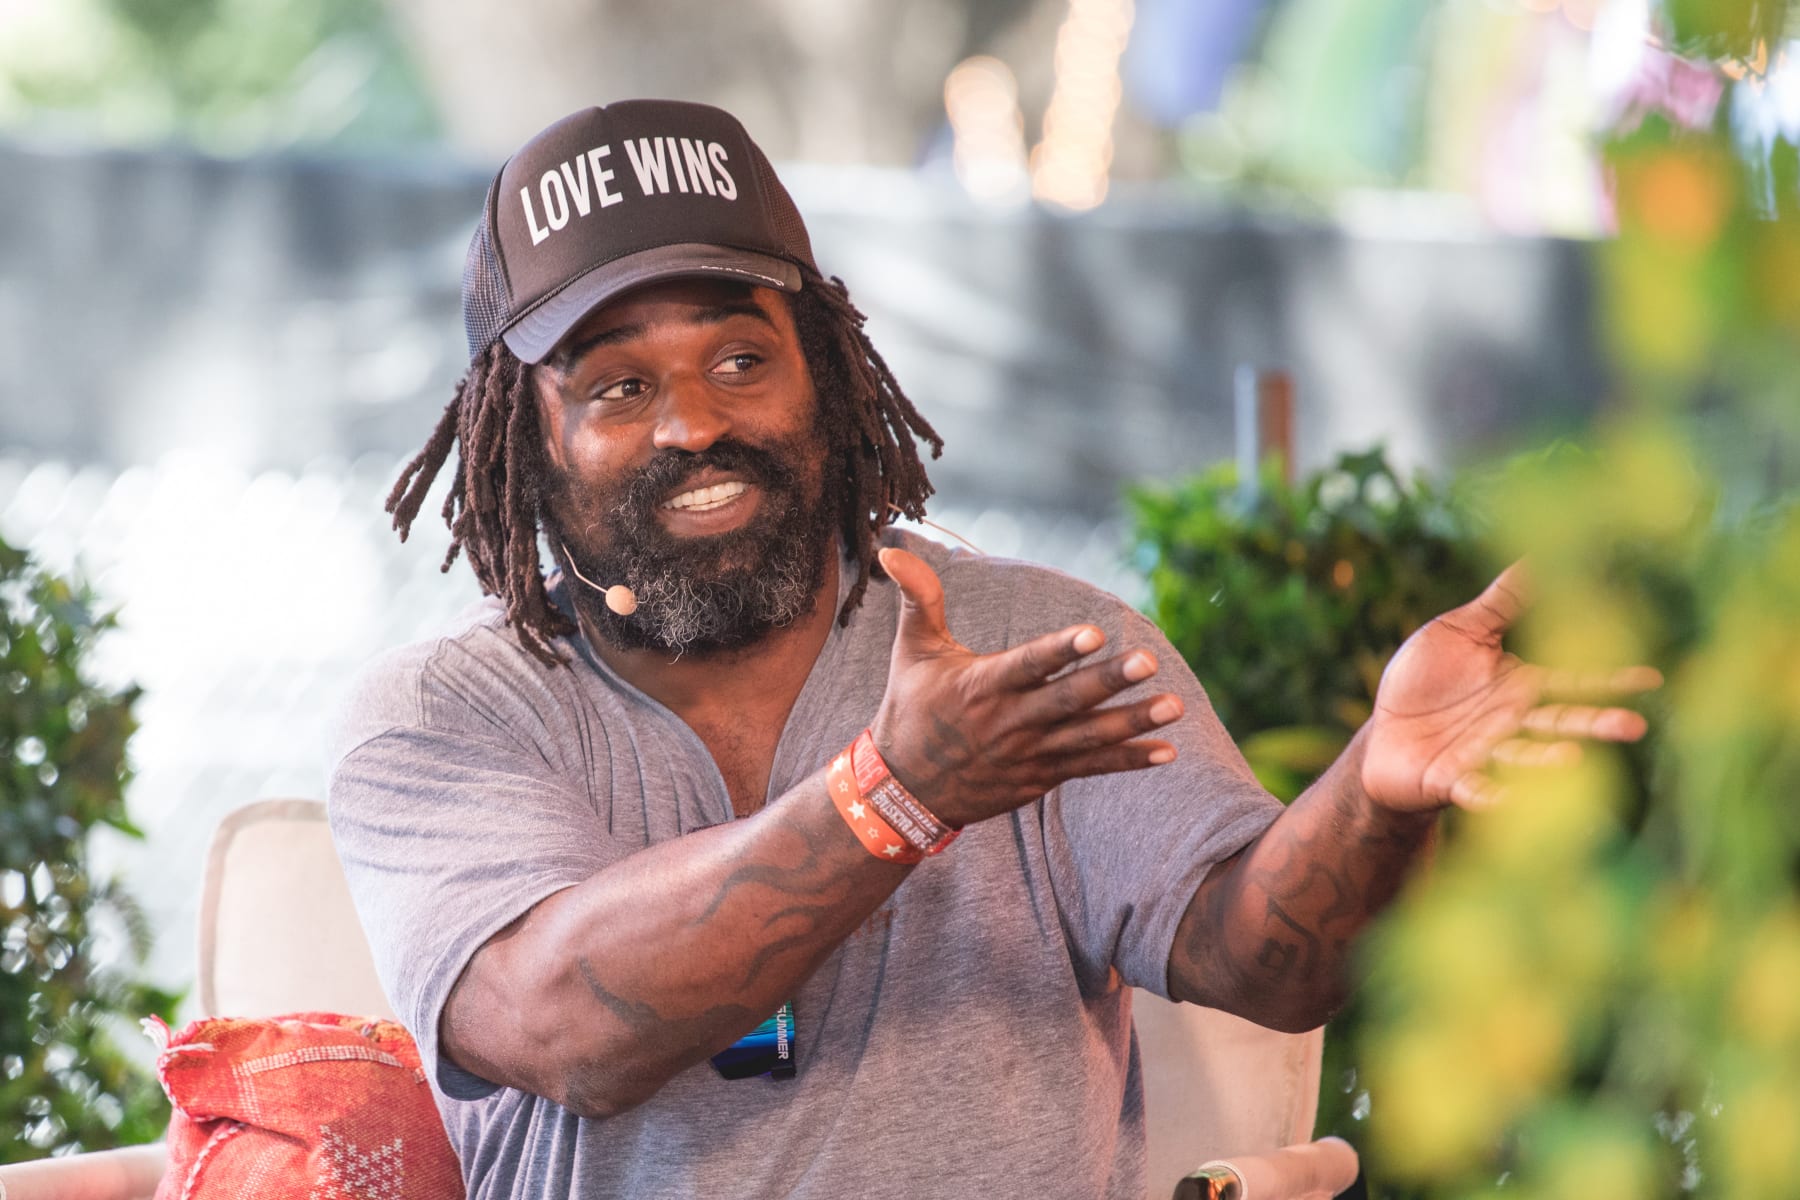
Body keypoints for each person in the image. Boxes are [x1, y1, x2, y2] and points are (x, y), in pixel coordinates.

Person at [328, 99, 1658, 1199]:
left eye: (741, 358)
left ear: (829, 377)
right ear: (525, 436)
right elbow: (565, 1025)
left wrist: (1373, 789)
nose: (692, 424)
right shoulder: (447, 718)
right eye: (617, 386)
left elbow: (1270, 962)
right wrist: (896, 796)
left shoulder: (1036, 644)